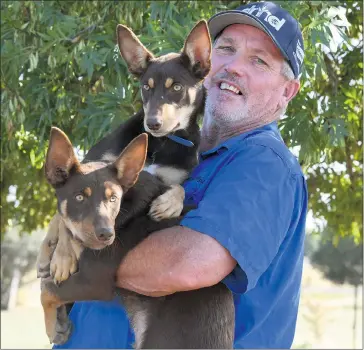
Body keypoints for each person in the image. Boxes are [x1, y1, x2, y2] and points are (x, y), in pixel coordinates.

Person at [54, 2, 307, 348]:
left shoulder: (265, 164)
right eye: (226, 50)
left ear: (287, 92)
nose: (233, 67)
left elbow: (184, 266)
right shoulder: (186, 155)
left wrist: (76, 250)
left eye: (258, 60)